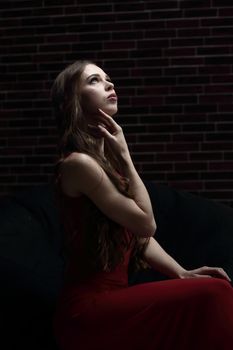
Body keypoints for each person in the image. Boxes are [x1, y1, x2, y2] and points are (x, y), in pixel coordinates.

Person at [51, 60, 233, 350]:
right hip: (87, 311)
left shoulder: (105, 165)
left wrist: (182, 273)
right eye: (94, 81)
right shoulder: (78, 164)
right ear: (74, 100)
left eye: (108, 78)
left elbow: (140, 236)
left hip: (115, 300)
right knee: (214, 293)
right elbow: (146, 223)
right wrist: (125, 155)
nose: (110, 84)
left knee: (212, 291)